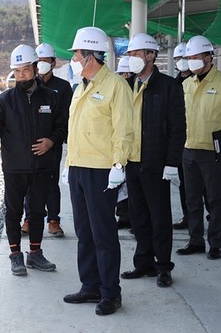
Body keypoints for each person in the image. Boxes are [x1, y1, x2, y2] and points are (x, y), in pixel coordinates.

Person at [0, 44, 67, 276]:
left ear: (35, 68)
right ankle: (16, 255)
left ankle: (35, 254)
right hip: (14, 167)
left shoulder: (51, 97)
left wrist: (51, 142)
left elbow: (62, 126)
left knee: (37, 212)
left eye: (25, 70)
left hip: (42, 165)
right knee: (13, 212)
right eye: (17, 71)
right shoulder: (5, 100)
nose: (21, 75)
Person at [62, 26, 134, 316]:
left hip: (102, 171)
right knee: (84, 232)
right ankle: (90, 285)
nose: (74, 59)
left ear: (90, 56)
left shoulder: (115, 86)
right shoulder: (81, 85)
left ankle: (110, 292)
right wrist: (69, 166)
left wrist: (119, 164)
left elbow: (125, 130)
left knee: (103, 233)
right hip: (79, 169)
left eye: (77, 54)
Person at [120, 33, 185, 288]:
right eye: (130, 55)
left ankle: (163, 266)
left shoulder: (168, 87)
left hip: (156, 164)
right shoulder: (129, 86)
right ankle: (143, 263)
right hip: (132, 162)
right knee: (138, 218)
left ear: (151, 55)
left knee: (159, 217)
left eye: (137, 54)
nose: (133, 59)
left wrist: (172, 161)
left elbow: (178, 127)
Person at [176, 35, 221, 260]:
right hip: (188, 150)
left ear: (208, 57)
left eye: (195, 57)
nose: (192, 61)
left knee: (214, 199)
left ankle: (215, 243)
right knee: (191, 199)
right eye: (189, 57)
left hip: (212, 153)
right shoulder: (186, 84)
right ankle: (195, 240)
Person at [20, 43, 73, 237]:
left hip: (53, 144)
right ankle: (29, 219)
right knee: (29, 182)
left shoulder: (63, 87)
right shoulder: (29, 86)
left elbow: (66, 118)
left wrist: (53, 140)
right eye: (38, 61)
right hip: (31, 145)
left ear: (53, 62)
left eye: (45, 61)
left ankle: (53, 220)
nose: (41, 64)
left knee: (51, 183)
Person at [172, 42, 191, 230]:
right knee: (184, 185)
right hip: (181, 142)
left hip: (204, 144)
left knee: (208, 189)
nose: (182, 62)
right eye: (178, 59)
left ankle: (211, 218)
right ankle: (188, 217)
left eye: (186, 58)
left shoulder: (201, 80)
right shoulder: (174, 84)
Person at [114, 55, 134, 230]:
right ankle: (123, 216)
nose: (124, 77)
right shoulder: (116, 90)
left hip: (135, 148)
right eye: (121, 73)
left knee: (133, 188)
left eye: (127, 74)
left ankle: (133, 218)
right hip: (118, 147)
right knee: (120, 185)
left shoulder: (137, 90)